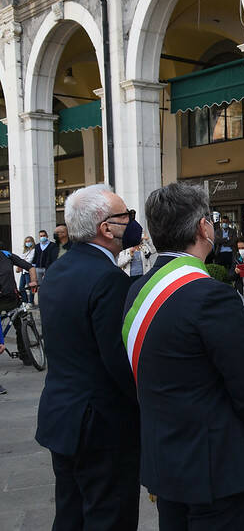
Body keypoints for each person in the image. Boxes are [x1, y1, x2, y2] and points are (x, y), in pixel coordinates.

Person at [125, 183, 244, 530]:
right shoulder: (212, 296)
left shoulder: (136, 289)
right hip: (214, 464)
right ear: (203, 228)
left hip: (165, 459)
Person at [36, 184, 142, 530]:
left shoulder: (57, 272)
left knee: (70, 513)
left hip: (62, 416)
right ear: (106, 228)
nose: (132, 222)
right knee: (108, 515)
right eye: (126, 215)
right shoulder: (108, 279)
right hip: (101, 426)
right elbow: (117, 360)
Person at [0, 241, 39, 371]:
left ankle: (24, 354)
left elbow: (30, 267)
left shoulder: (7, 255)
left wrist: (33, 281)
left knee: (20, 324)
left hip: (12, 298)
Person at [17, 236, 36, 308]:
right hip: (24, 271)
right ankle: (24, 301)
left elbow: (29, 260)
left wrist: (23, 261)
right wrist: (23, 261)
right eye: (26, 241)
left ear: (32, 242)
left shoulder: (34, 250)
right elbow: (20, 261)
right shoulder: (25, 251)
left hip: (30, 272)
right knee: (21, 287)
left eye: (29, 241)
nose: (28, 243)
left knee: (31, 287)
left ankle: (31, 302)